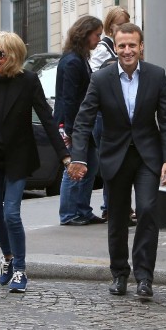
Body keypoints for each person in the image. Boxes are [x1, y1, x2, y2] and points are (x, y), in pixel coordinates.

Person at [67, 23, 166, 300]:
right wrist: (79, 156)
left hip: (147, 157)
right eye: (122, 46)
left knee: (147, 210)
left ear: (141, 47)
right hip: (114, 156)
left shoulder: (156, 75)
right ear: (115, 48)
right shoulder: (101, 79)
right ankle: (119, 273)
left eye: (132, 45)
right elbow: (83, 121)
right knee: (116, 218)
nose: (127, 51)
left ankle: (144, 278)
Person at [0, 32, 70, 292]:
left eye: (0, 54)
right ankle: (8, 257)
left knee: (11, 212)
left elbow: (46, 117)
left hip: (18, 156)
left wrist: (65, 155)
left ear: (13, 56)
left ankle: (21, 269)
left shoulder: (29, 81)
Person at [55, 15, 106, 226]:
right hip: (76, 124)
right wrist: (71, 129)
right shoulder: (73, 61)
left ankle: (82, 209)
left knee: (91, 164)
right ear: (85, 35)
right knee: (75, 168)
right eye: (97, 35)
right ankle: (69, 213)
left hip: (82, 123)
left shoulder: (78, 58)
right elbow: (69, 98)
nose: (98, 39)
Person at [88, 6, 135, 223]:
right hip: (104, 115)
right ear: (109, 26)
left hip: (119, 114)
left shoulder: (122, 47)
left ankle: (117, 205)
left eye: (125, 23)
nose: (121, 28)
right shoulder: (103, 49)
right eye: (117, 24)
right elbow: (95, 76)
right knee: (111, 162)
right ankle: (111, 206)